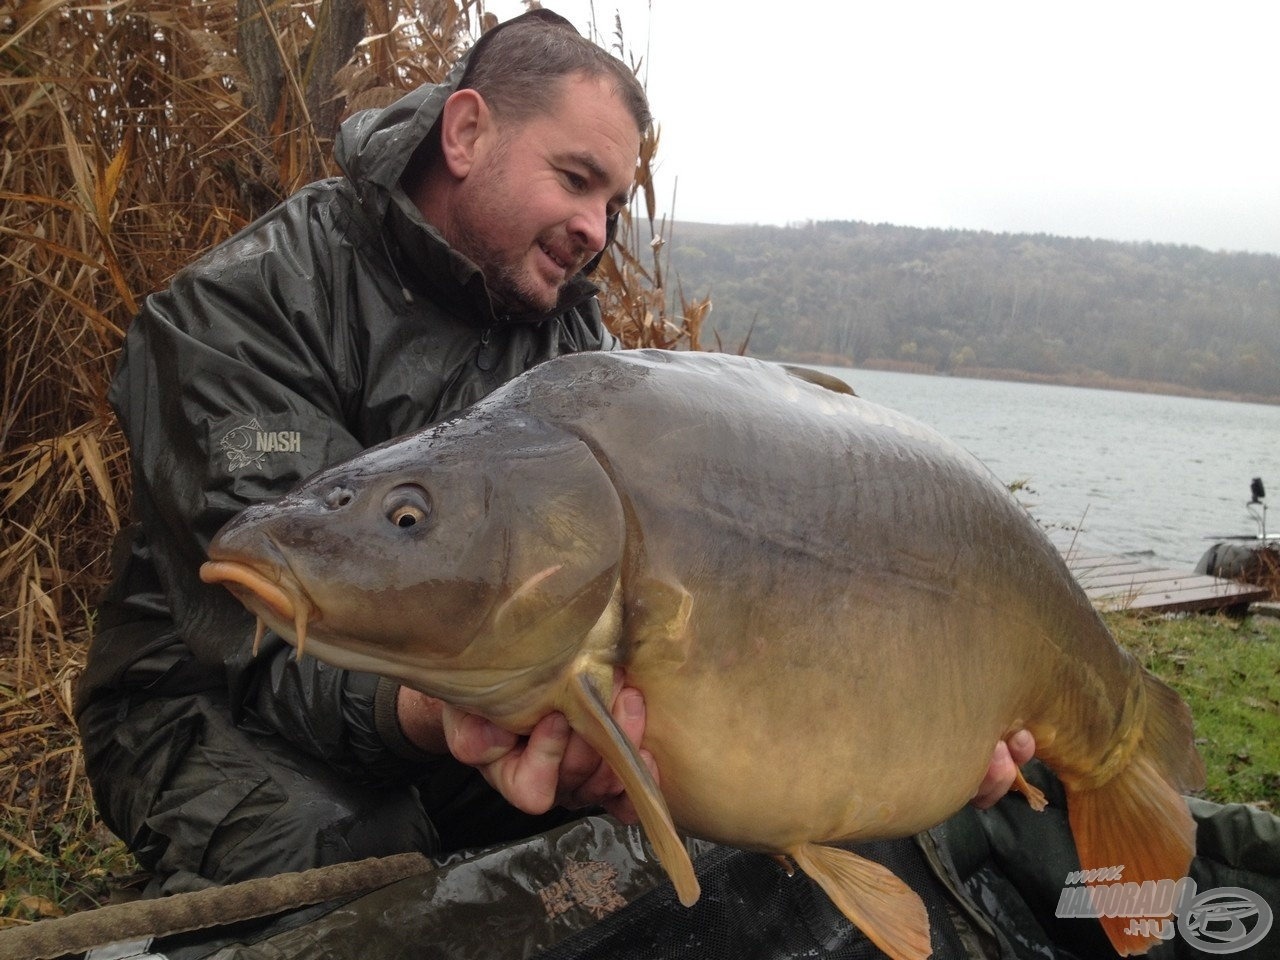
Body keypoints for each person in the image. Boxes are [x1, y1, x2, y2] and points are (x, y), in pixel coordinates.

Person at [75, 4, 1035, 936]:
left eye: (613, 203)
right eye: (576, 180)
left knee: (662, 846)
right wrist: (452, 714)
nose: (597, 230)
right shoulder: (244, 306)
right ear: (465, 132)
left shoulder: (575, 348)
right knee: (341, 860)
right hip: (207, 703)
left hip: (483, 692)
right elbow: (259, 632)